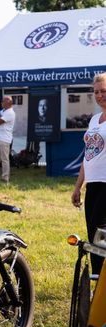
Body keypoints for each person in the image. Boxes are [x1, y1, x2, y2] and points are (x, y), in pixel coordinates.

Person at [71, 73, 106, 275]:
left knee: (99, 233)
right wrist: (78, 187)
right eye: (97, 92)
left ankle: (100, 278)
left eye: (104, 91)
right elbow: (88, 156)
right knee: (93, 232)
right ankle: (97, 279)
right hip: (92, 184)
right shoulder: (94, 120)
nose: (100, 95)